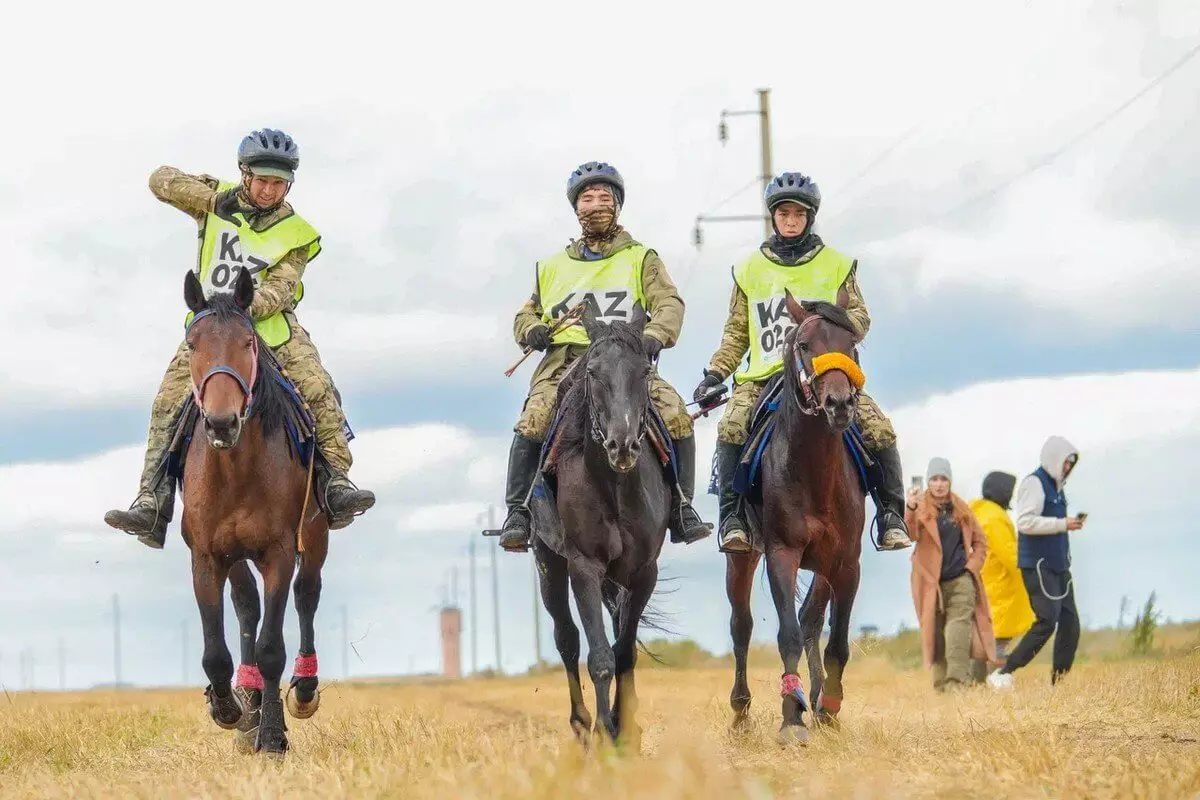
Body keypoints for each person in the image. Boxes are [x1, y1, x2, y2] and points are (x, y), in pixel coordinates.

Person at [104, 129, 375, 548]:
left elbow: (284, 287)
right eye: (262, 180)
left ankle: (336, 481)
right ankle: (152, 501)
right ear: (245, 175)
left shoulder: (298, 233)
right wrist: (212, 202)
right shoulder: (216, 197)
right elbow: (160, 179)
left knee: (318, 388)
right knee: (167, 402)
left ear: (289, 184)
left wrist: (247, 307)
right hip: (211, 330)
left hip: (269, 328)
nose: (269, 190)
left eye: (278, 183)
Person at [492, 161, 713, 553]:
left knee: (677, 413)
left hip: (626, 358)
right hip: (567, 359)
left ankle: (682, 506)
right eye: (587, 198)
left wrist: (653, 337)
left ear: (618, 205)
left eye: (604, 197)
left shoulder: (642, 257)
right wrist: (533, 330)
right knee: (533, 419)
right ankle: (518, 513)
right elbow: (527, 312)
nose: (596, 205)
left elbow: (669, 304)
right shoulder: (551, 266)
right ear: (576, 208)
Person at [694, 172, 912, 553]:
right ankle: (734, 519)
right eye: (784, 214)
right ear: (774, 217)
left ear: (810, 217)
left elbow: (860, 318)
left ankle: (891, 516)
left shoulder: (837, 265)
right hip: (764, 377)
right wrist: (715, 373)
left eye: (798, 214)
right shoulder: (749, 270)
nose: (791, 220)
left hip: (826, 374)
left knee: (879, 429)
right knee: (731, 426)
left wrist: (824, 322)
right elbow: (736, 334)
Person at [988, 436, 1084, 689]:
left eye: (1071, 464)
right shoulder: (1034, 483)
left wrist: (1067, 527)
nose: (1067, 468)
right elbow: (1026, 522)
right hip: (1039, 566)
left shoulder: (1057, 488)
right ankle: (1003, 672)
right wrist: (1064, 524)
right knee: (1046, 622)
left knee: (1070, 624)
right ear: (1054, 458)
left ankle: (1059, 683)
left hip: (1059, 565)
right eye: (1065, 462)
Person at [906, 458, 997, 692]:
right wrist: (911, 509)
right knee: (935, 634)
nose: (939, 484)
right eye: (934, 479)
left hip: (960, 580)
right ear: (928, 481)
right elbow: (911, 535)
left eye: (943, 479)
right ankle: (940, 686)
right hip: (929, 583)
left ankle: (957, 682)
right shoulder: (919, 506)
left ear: (950, 481)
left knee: (958, 629)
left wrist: (971, 568)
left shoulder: (961, 507)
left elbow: (981, 541)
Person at [970, 471, 1034, 673]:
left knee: (985, 639)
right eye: (1009, 491)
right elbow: (1009, 555)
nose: (1011, 496)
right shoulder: (995, 517)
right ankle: (996, 680)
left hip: (987, 583)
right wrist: (1031, 571)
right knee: (997, 640)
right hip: (1001, 587)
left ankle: (976, 686)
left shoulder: (980, 512)